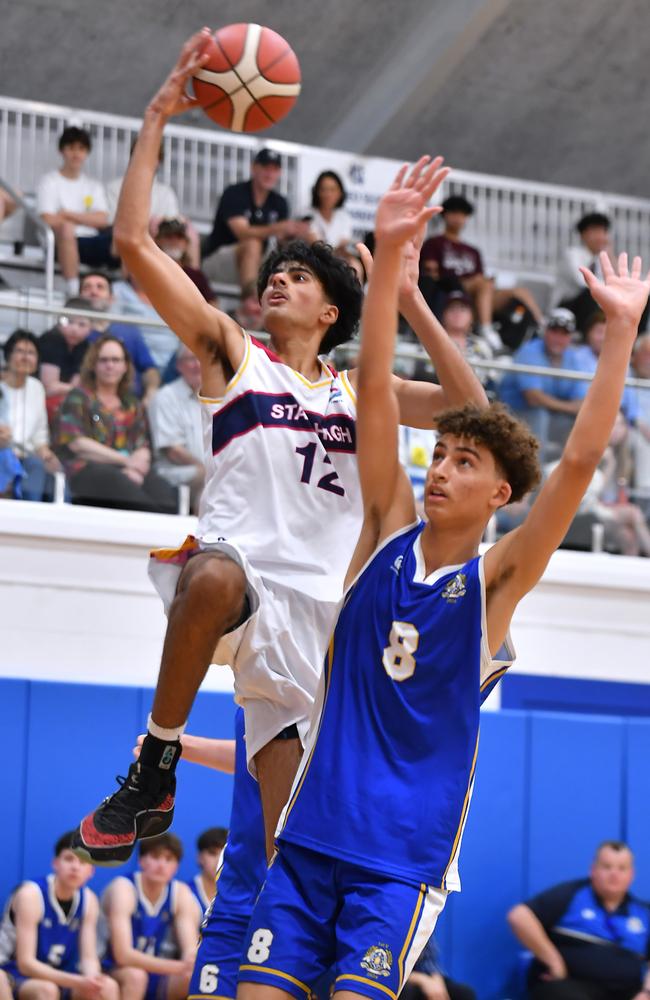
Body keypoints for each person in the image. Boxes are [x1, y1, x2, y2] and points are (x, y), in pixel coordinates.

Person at [70, 31, 486, 870]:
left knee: (292, 846)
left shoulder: (359, 394)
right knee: (212, 569)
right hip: (245, 585)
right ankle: (155, 763)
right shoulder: (236, 356)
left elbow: (474, 413)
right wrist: (155, 119)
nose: (277, 283)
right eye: (276, 276)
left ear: (333, 311)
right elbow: (134, 245)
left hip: (333, 618)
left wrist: (405, 300)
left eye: (298, 279)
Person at [234, 163, 650, 1000]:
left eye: (464, 462)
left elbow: (575, 463)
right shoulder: (385, 530)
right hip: (312, 836)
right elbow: (377, 393)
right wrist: (387, 259)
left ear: (498, 493)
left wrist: (618, 337)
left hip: (400, 860)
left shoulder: (497, 580)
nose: (440, 469)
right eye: (442, 455)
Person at [507, 841, 650, 1000]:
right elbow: (519, 916)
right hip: (572, 985)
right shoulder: (572, 895)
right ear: (593, 870)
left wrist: (646, 992)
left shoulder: (643, 912)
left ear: (632, 874)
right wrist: (555, 962)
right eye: (607, 867)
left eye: (622, 868)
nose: (614, 874)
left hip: (628, 992)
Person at [54, 335, 177, 513]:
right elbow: (78, 444)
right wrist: (126, 462)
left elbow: (143, 446)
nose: (110, 365)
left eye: (116, 360)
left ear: (125, 366)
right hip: (87, 471)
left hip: (126, 470)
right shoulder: (78, 397)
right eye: (103, 360)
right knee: (138, 502)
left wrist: (137, 468)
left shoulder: (131, 403)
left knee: (164, 494)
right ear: (93, 365)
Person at [0, 831, 119, 1000]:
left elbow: (88, 957)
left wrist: (93, 979)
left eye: (83, 862)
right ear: (55, 863)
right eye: (69, 859)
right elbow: (25, 963)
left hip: (59, 974)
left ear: (91, 871)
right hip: (13, 972)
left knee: (107, 987)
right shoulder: (31, 895)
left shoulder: (89, 900)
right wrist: (76, 981)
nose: (75, 867)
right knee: (47, 990)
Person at [201, 147, 308, 326]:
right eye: (265, 167)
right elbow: (241, 232)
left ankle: (296, 317)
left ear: (279, 172)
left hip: (257, 263)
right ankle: (250, 305)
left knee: (292, 258)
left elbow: (281, 242)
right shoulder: (235, 193)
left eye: (274, 169)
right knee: (252, 243)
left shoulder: (280, 202)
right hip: (219, 260)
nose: (269, 173)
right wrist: (278, 227)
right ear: (254, 168)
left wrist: (295, 233)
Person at [420, 195, 544, 347]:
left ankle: (542, 325)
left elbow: (480, 275)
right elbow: (431, 273)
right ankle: (486, 329)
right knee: (483, 284)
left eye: (462, 214)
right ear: (445, 215)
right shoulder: (434, 243)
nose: (458, 218)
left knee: (520, 292)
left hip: (478, 294)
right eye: (454, 213)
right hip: (450, 288)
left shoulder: (473, 251)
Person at [100, 833, 196, 1000]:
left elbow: (190, 950)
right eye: (155, 857)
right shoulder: (123, 888)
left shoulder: (180, 892)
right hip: (114, 969)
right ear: (141, 860)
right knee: (136, 977)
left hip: (157, 969)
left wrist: (189, 963)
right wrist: (179, 967)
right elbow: (122, 955)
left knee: (196, 976)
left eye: (168, 859)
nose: (161, 865)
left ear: (176, 866)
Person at [36, 126, 114, 296]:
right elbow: (47, 219)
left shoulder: (93, 185)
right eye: (71, 148)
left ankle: (132, 289)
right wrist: (84, 219)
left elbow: (102, 219)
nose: (76, 154)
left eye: (81, 149)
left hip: (91, 241)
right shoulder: (49, 182)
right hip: (60, 243)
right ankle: (73, 291)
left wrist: (67, 214)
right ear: (61, 151)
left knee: (124, 233)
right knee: (66, 229)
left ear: (87, 152)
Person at [498, 308, 584, 457]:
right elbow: (533, 398)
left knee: (583, 421)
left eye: (564, 333)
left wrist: (568, 408)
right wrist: (567, 407)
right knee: (539, 415)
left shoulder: (572, 357)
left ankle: (581, 470)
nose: (558, 338)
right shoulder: (529, 351)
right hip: (512, 414)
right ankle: (539, 478)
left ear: (570, 337)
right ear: (545, 331)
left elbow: (582, 403)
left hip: (551, 416)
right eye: (554, 331)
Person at [80, 271, 160, 403]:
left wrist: (151, 391)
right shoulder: (69, 333)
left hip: (130, 404)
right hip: (85, 404)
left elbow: (149, 369)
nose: (94, 292)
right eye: (87, 288)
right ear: (80, 296)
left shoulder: (129, 331)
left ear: (112, 298)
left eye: (100, 287)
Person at [1, 330, 61, 500]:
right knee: (35, 468)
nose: (25, 357)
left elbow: (39, 435)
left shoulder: (36, 388)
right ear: (8, 355)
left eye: (31, 353)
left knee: (55, 477)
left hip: (27, 457)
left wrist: (46, 453)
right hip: (4, 455)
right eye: (20, 351)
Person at [147, 344, 204, 512]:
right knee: (208, 478)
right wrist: (208, 468)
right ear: (179, 366)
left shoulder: (215, 398)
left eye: (201, 359)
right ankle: (200, 535)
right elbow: (172, 450)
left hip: (205, 470)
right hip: (175, 471)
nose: (198, 365)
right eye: (191, 359)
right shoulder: (165, 397)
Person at [573, 312, 638, 424]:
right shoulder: (576, 356)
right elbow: (581, 396)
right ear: (589, 333)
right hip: (587, 414)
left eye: (609, 332)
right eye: (599, 332)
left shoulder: (623, 360)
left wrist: (634, 421)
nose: (604, 337)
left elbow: (631, 402)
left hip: (621, 418)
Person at [554, 213, 613, 328]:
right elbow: (582, 282)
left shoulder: (600, 260)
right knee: (591, 292)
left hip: (591, 305)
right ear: (583, 235)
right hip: (566, 306)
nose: (601, 237)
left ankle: (636, 338)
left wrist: (611, 255)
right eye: (596, 232)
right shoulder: (571, 254)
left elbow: (614, 282)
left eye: (604, 232)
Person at [39, 298, 94, 418]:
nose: (74, 329)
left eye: (82, 324)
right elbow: (49, 389)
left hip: (66, 404)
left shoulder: (85, 347)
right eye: (69, 322)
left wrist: (76, 390)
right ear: (59, 321)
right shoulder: (51, 340)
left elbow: (75, 386)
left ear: (91, 328)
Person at [154, 218, 217, 304]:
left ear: (186, 243)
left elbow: (213, 305)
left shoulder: (196, 276)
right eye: (169, 236)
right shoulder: (150, 269)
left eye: (179, 237)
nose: (174, 241)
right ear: (158, 240)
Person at [401, 936, 476, 1000]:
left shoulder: (422, 922)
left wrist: (437, 981)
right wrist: (423, 981)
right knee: (406, 993)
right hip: (402, 981)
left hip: (426, 977)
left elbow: (429, 959)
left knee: (465, 994)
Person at [305, 171, 354, 253]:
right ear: (316, 192)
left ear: (340, 193)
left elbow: (343, 245)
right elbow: (314, 243)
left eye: (332, 190)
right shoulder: (307, 215)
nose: (328, 194)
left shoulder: (344, 217)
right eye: (323, 189)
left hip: (337, 260)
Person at [187, 826, 228, 916]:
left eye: (225, 854)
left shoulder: (242, 896)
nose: (219, 860)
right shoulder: (184, 893)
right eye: (212, 853)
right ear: (199, 857)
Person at [630, 335, 650, 517]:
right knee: (642, 444)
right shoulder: (625, 374)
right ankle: (644, 502)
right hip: (629, 431)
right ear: (634, 355)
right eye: (647, 355)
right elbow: (630, 413)